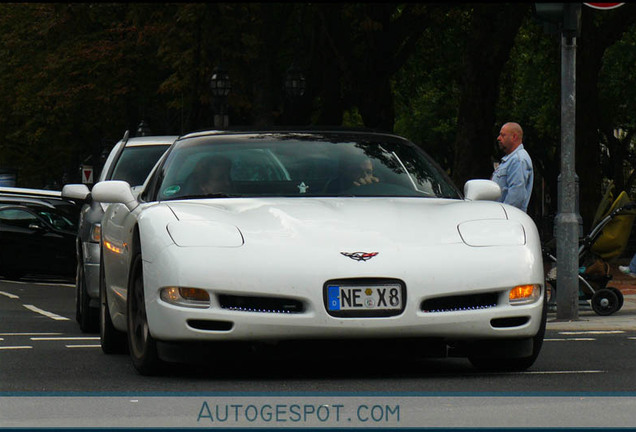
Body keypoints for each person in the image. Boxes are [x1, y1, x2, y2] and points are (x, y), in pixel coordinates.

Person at [491, 122, 534, 212]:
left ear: (514, 137)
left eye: (503, 135)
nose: (498, 138)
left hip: (507, 219)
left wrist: (502, 214)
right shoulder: (510, 160)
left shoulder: (518, 160)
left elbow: (516, 196)